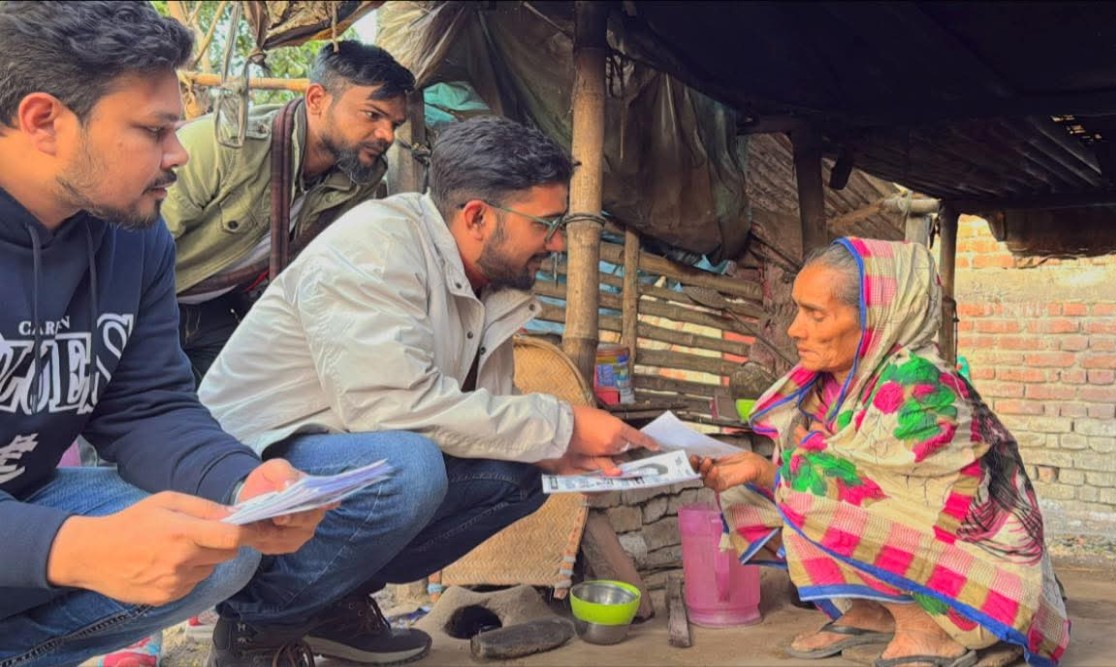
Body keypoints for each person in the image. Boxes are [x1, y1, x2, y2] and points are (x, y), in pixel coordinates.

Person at [196, 115, 659, 663]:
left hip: (343, 455)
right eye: (545, 224)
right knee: (408, 469)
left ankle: (330, 605)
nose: (556, 242)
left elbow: (486, 416)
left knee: (520, 473)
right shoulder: (376, 248)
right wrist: (562, 424)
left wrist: (553, 448)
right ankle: (258, 621)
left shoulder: (488, 283)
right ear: (478, 217)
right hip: (245, 467)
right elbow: (389, 409)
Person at [0, 3, 329, 666]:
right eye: (155, 131)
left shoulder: (134, 236)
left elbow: (148, 405)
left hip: (20, 501)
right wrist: (72, 548)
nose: (179, 153)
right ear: (44, 120)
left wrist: (243, 483)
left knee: (214, 546)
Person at [691, 238, 1070, 667]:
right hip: (931, 560)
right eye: (799, 310)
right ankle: (872, 611)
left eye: (816, 314)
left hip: (980, 589)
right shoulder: (835, 383)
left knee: (807, 485)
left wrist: (769, 473)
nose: (795, 329)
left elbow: (856, 489)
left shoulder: (921, 383)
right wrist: (758, 474)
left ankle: (928, 630)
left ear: (876, 317)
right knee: (756, 487)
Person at [164, 40, 414, 383]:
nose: (386, 135)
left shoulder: (361, 178)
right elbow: (129, 252)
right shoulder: (225, 146)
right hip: (147, 304)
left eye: (394, 124)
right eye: (373, 115)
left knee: (238, 412)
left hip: (216, 311)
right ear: (316, 100)